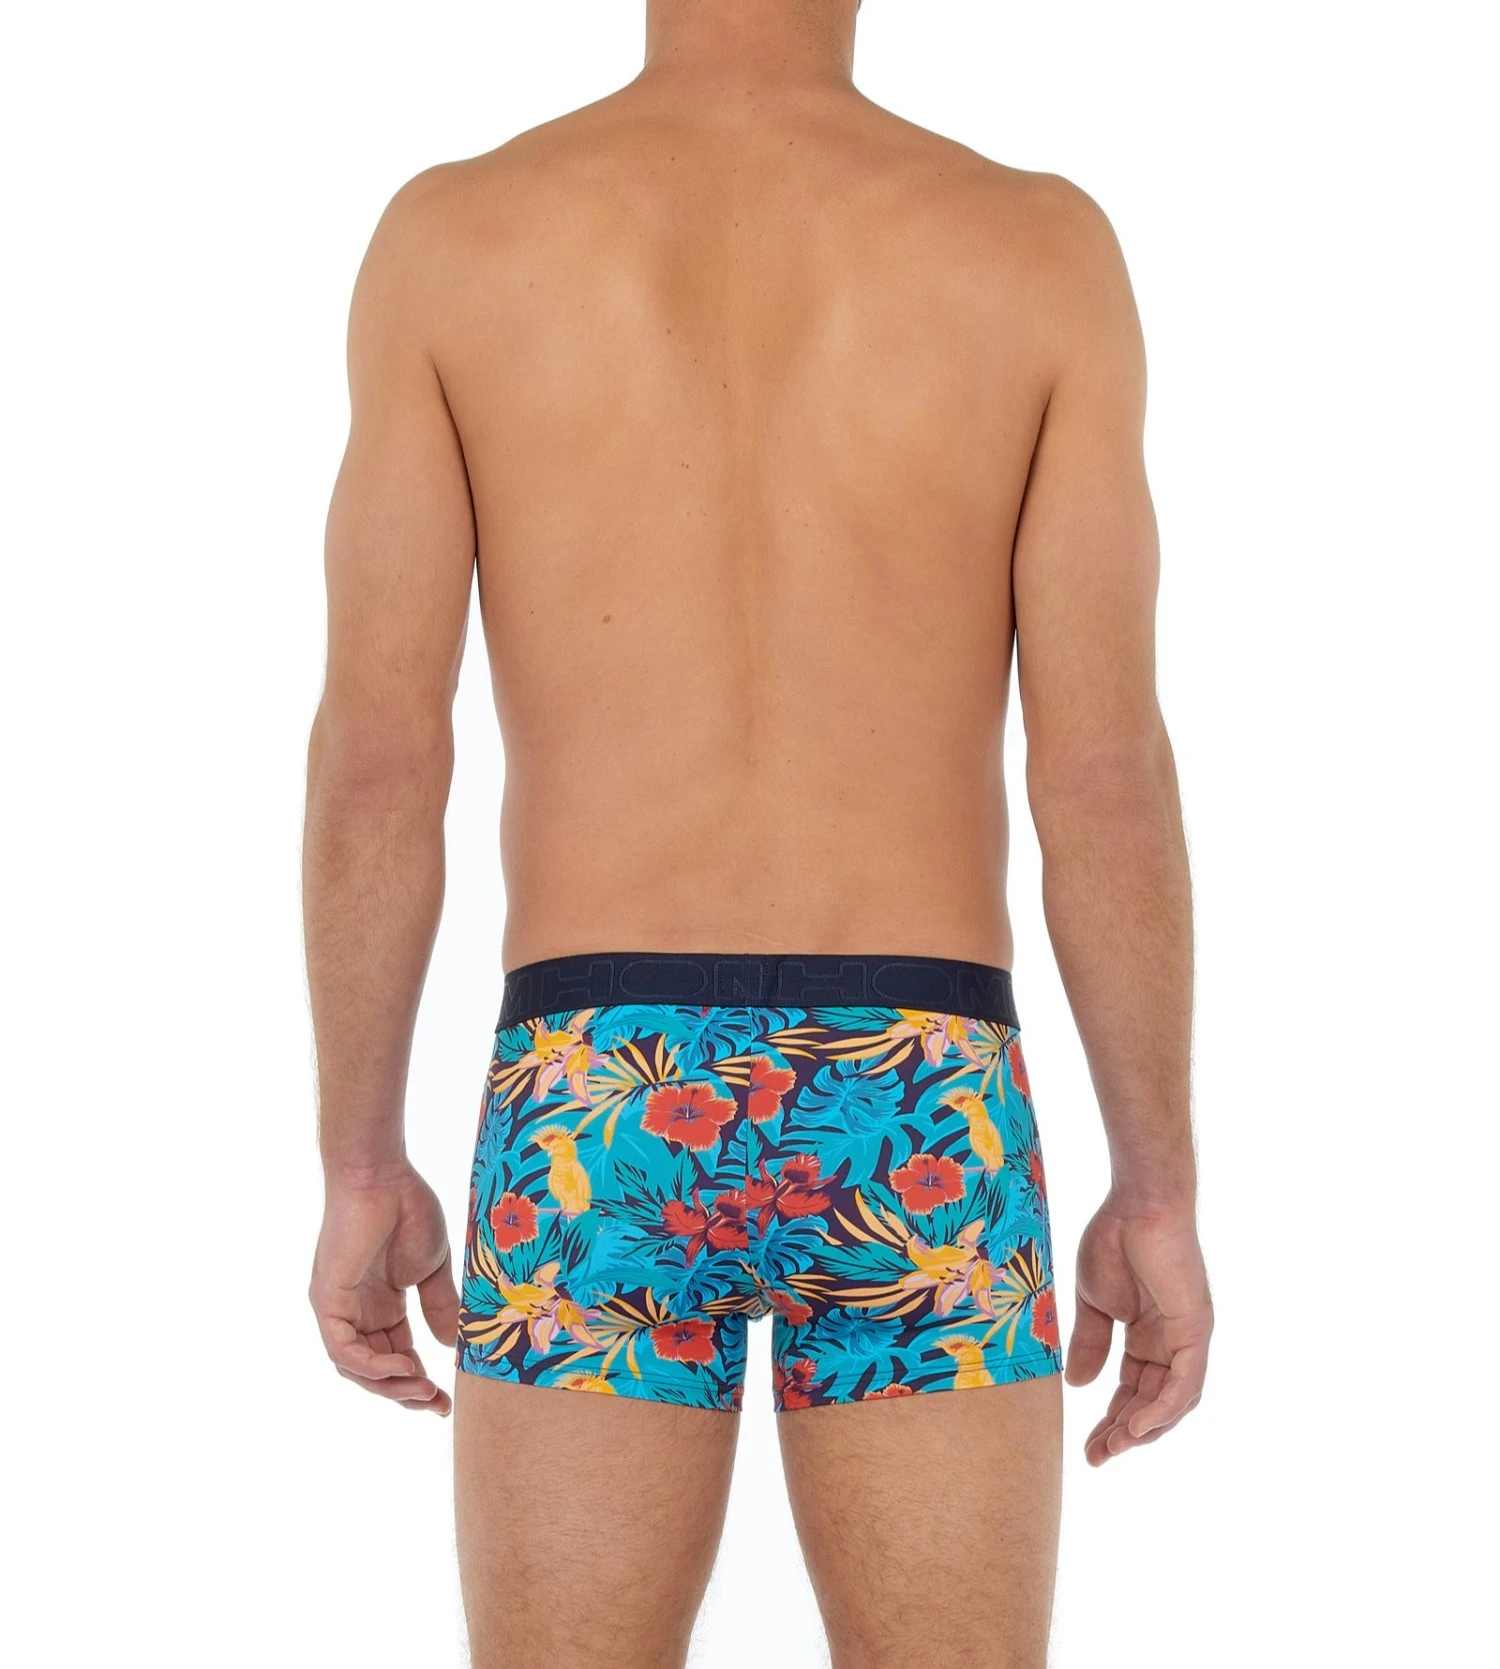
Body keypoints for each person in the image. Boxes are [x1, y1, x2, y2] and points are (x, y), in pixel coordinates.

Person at [303, 2, 1213, 1663]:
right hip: (922, 1087)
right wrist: (1156, 1187)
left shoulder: (456, 240)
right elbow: (1100, 776)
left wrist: (360, 1164)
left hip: (596, 1094)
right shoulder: (1037, 251)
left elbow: (380, 759)